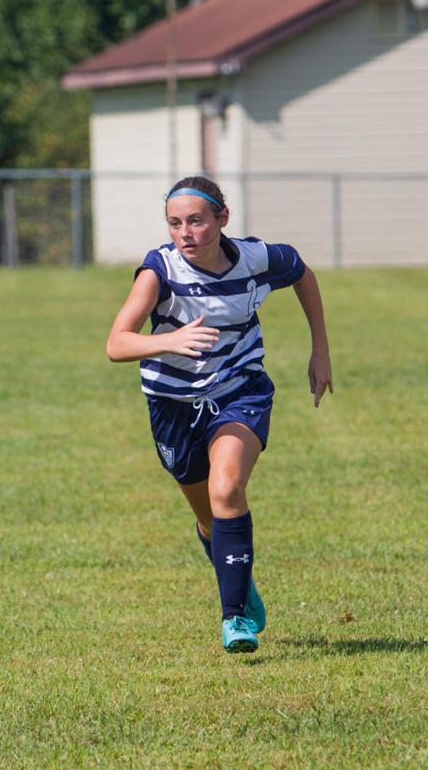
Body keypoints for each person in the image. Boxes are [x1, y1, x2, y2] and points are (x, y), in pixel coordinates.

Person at [105, 176, 332, 654]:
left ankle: (234, 619)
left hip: (239, 390)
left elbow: (302, 273)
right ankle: (239, 579)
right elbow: (117, 343)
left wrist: (320, 350)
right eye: (175, 223)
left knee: (227, 488)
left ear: (221, 219)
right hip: (171, 403)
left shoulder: (256, 258)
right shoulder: (159, 270)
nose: (185, 232)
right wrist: (169, 340)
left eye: (196, 221)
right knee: (209, 518)